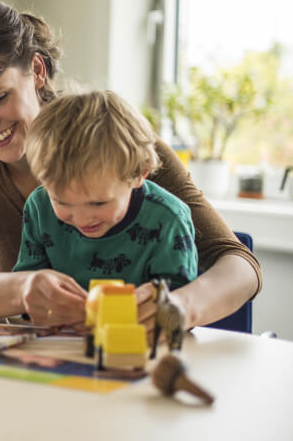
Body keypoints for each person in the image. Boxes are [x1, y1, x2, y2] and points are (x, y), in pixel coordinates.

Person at [0, 0, 260, 333]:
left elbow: (241, 267)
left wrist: (180, 306)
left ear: (37, 70)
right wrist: (22, 290)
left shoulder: (120, 143)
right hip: (33, 347)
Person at [12, 90, 198, 299]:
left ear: (139, 173)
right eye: (62, 202)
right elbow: (27, 287)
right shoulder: (39, 207)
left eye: (98, 203)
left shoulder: (168, 219)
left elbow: (179, 303)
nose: (81, 219)